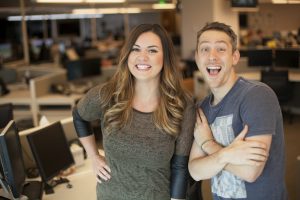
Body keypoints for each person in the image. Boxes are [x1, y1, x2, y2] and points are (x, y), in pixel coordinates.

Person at [72, 24, 196, 200]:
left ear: (166, 57)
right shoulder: (107, 94)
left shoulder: (182, 104)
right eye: (135, 49)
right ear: (127, 55)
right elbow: (79, 115)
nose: (142, 57)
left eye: (152, 51)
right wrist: (93, 155)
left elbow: (180, 166)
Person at [188, 22, 287, 200]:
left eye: (220, 49)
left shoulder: (256, 96)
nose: (212, 56)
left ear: (234, 57)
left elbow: (250, 171)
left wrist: (208, 144)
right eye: (204, 49)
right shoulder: (202, 108)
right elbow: (195, 171)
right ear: (196, 58)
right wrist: (227, 153)